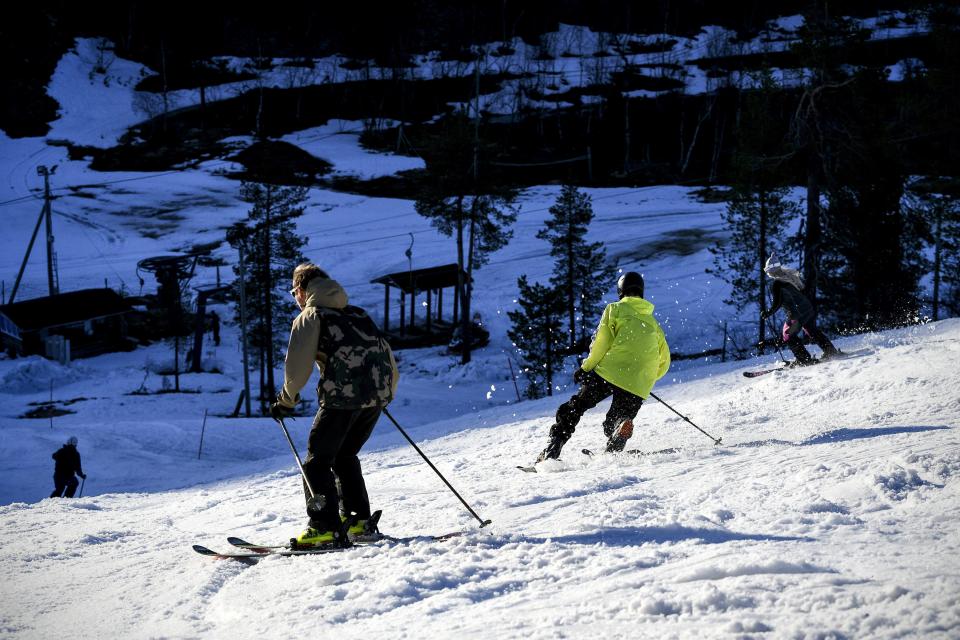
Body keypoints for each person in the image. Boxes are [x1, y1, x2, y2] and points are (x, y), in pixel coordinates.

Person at [271, 263, 399, 547]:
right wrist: (383, 394)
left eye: (294, 292)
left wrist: (286, 401)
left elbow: (297, 365)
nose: (295, 298)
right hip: (375, 398)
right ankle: (358, 522)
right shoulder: (357, 314)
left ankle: (324, 526)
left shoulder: (311, 316)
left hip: (341, 399)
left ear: (303, 290)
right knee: (344, 456)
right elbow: (386, 355)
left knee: (317, 462)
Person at [536, 272, 671, 462]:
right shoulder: (654, 324)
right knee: (616, 420)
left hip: (609, 372)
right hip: (639, 383)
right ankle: (616, 442)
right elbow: (664, 360)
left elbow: (602, 342)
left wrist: (586, 367)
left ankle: (551, 451)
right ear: (642, 292)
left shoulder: (614, 309)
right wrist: (643, 377)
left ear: (620, 291)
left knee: (575, 407)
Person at [761, 254, 838, 365]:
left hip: (796, 315)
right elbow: (803, 292)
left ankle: (804, 359)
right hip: (808, 310)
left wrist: (768, 313)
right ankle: (830, 351)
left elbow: (777, 302)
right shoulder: (790, 276)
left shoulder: (777, 283)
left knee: (788, 335)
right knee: (812, 330)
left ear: (770, 271)